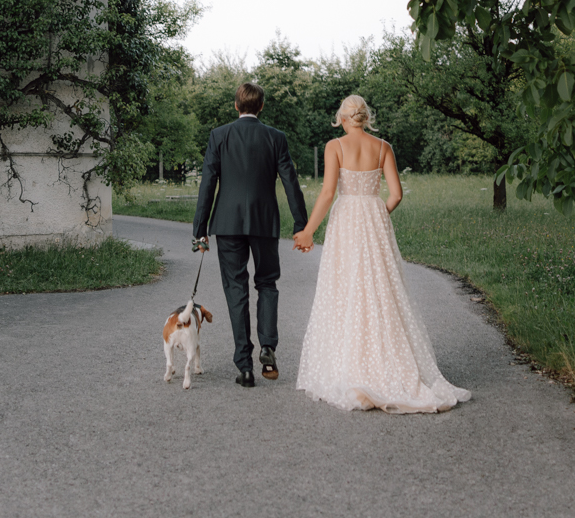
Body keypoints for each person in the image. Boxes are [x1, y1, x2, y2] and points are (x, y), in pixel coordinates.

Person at [293, 94, 471, 413]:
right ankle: (387, 363)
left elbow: (329, 192)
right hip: (374, 221)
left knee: (345, 288)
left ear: (342, 118)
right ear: (365, 117)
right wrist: (377, 216)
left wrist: (308, 231)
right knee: (380, 289)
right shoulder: (383, 147)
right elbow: (396, 194)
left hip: (346, 222)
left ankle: (351, 365)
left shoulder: (335, 146)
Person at [192, 80, 308, 387]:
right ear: (261, 106)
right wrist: (301, 225)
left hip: (227, 224)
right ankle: (268, 345)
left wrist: (199, 231)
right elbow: (290, 182)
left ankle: (244, 366)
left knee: (236, 289)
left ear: (236, 106)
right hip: (264, 222)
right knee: (267, 283)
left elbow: (208, 184)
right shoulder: (276, 137)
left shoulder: (219, 135)